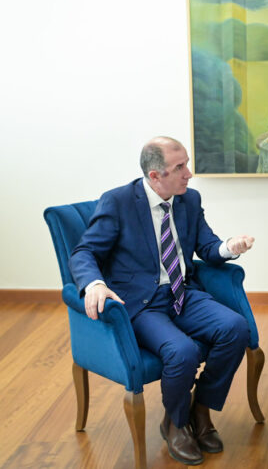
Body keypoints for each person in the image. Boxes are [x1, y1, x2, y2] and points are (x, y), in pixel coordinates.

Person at [69, 136, 255, 465]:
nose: (189, 173)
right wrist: (94, 284)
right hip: (142, 303)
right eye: (180, 167)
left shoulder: (189, 199)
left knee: (235, 328)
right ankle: (176, 423)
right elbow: (84, 252)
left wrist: (229, 247)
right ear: (155, 175)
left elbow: (207, 246)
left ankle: (201, 410)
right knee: (181, 351)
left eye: (187, 164)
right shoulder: (118, 202)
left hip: (183, 292)